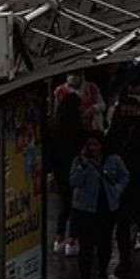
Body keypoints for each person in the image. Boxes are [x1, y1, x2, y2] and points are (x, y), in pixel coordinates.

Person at [69, 132, 130, 279]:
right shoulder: (80, 162)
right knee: (86, 246)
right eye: (90, 145)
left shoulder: (113, 160)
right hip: (84, 209)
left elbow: (124, 176)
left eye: (96, 145)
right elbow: (74, 182)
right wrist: (83, 166)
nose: (93, 148)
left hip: (106, 208)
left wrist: (117, 190)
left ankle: (102, 272)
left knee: (104, 243)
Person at [107, 80, 140, 275]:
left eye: (132, 108)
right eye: (125, 107)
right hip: (121, 184)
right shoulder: (116, 130)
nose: (128, 111)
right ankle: (125, 258)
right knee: (123, 223)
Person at [48, 92, 85, 256]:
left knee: (64, 204)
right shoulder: (79, 130)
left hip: (59, 171)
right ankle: (73, 239)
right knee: (75, 206)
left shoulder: (54, 128)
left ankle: (59, 237)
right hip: (75, 171)